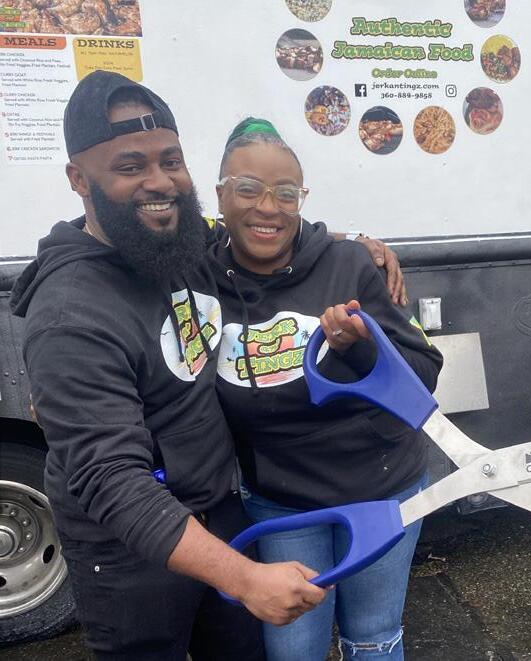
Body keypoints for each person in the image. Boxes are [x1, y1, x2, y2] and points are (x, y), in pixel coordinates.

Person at [10, 71, 332, 660]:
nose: (160, 182)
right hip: (127, 547)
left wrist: (356, 248)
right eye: (131, 166)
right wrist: (245, 579)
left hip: (219, 512)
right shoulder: (69, 315)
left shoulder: (180, 240)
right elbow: (111, 480)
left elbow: (264, 229)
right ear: (79, 179)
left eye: (171, 160)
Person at [210, 118, 443, 660]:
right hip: (281, 500)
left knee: (373, 635)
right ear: (220, 195)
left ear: (301, 201)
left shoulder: (351, 265)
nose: (268, 207)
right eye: (248, 189)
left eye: (285, 194)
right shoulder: (199, 276)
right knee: (293, 648)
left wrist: (361, 347)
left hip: (383, 485)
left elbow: (424, 373)